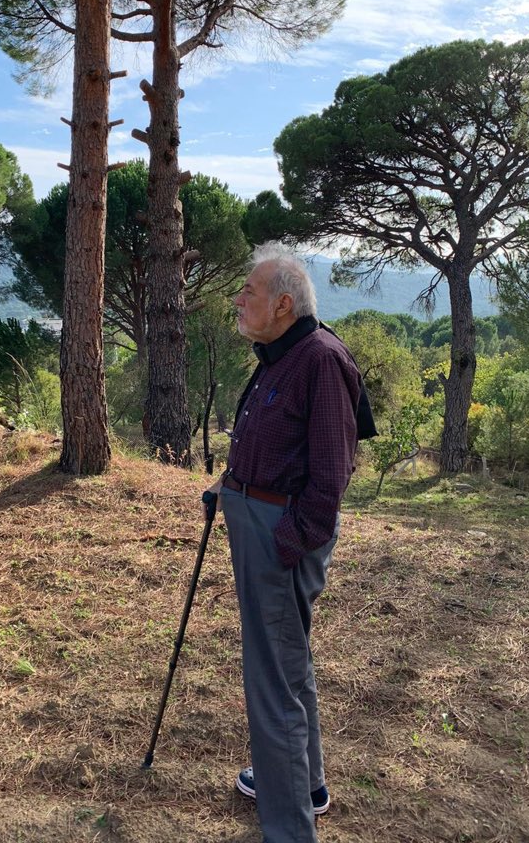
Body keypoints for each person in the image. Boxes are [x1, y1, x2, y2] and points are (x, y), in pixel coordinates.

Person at [207, 242, 364, 843]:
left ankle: (289, 829)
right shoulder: (281, 353)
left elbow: (330, 474)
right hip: (259, 521)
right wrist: (231, 488)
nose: (239, 298)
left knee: (270, 682)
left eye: (248, 291)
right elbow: (274, 443)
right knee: (289, 664)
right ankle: (310, 785)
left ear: (282, 303)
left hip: (280, 537)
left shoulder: (320, 359)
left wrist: (285, 544)